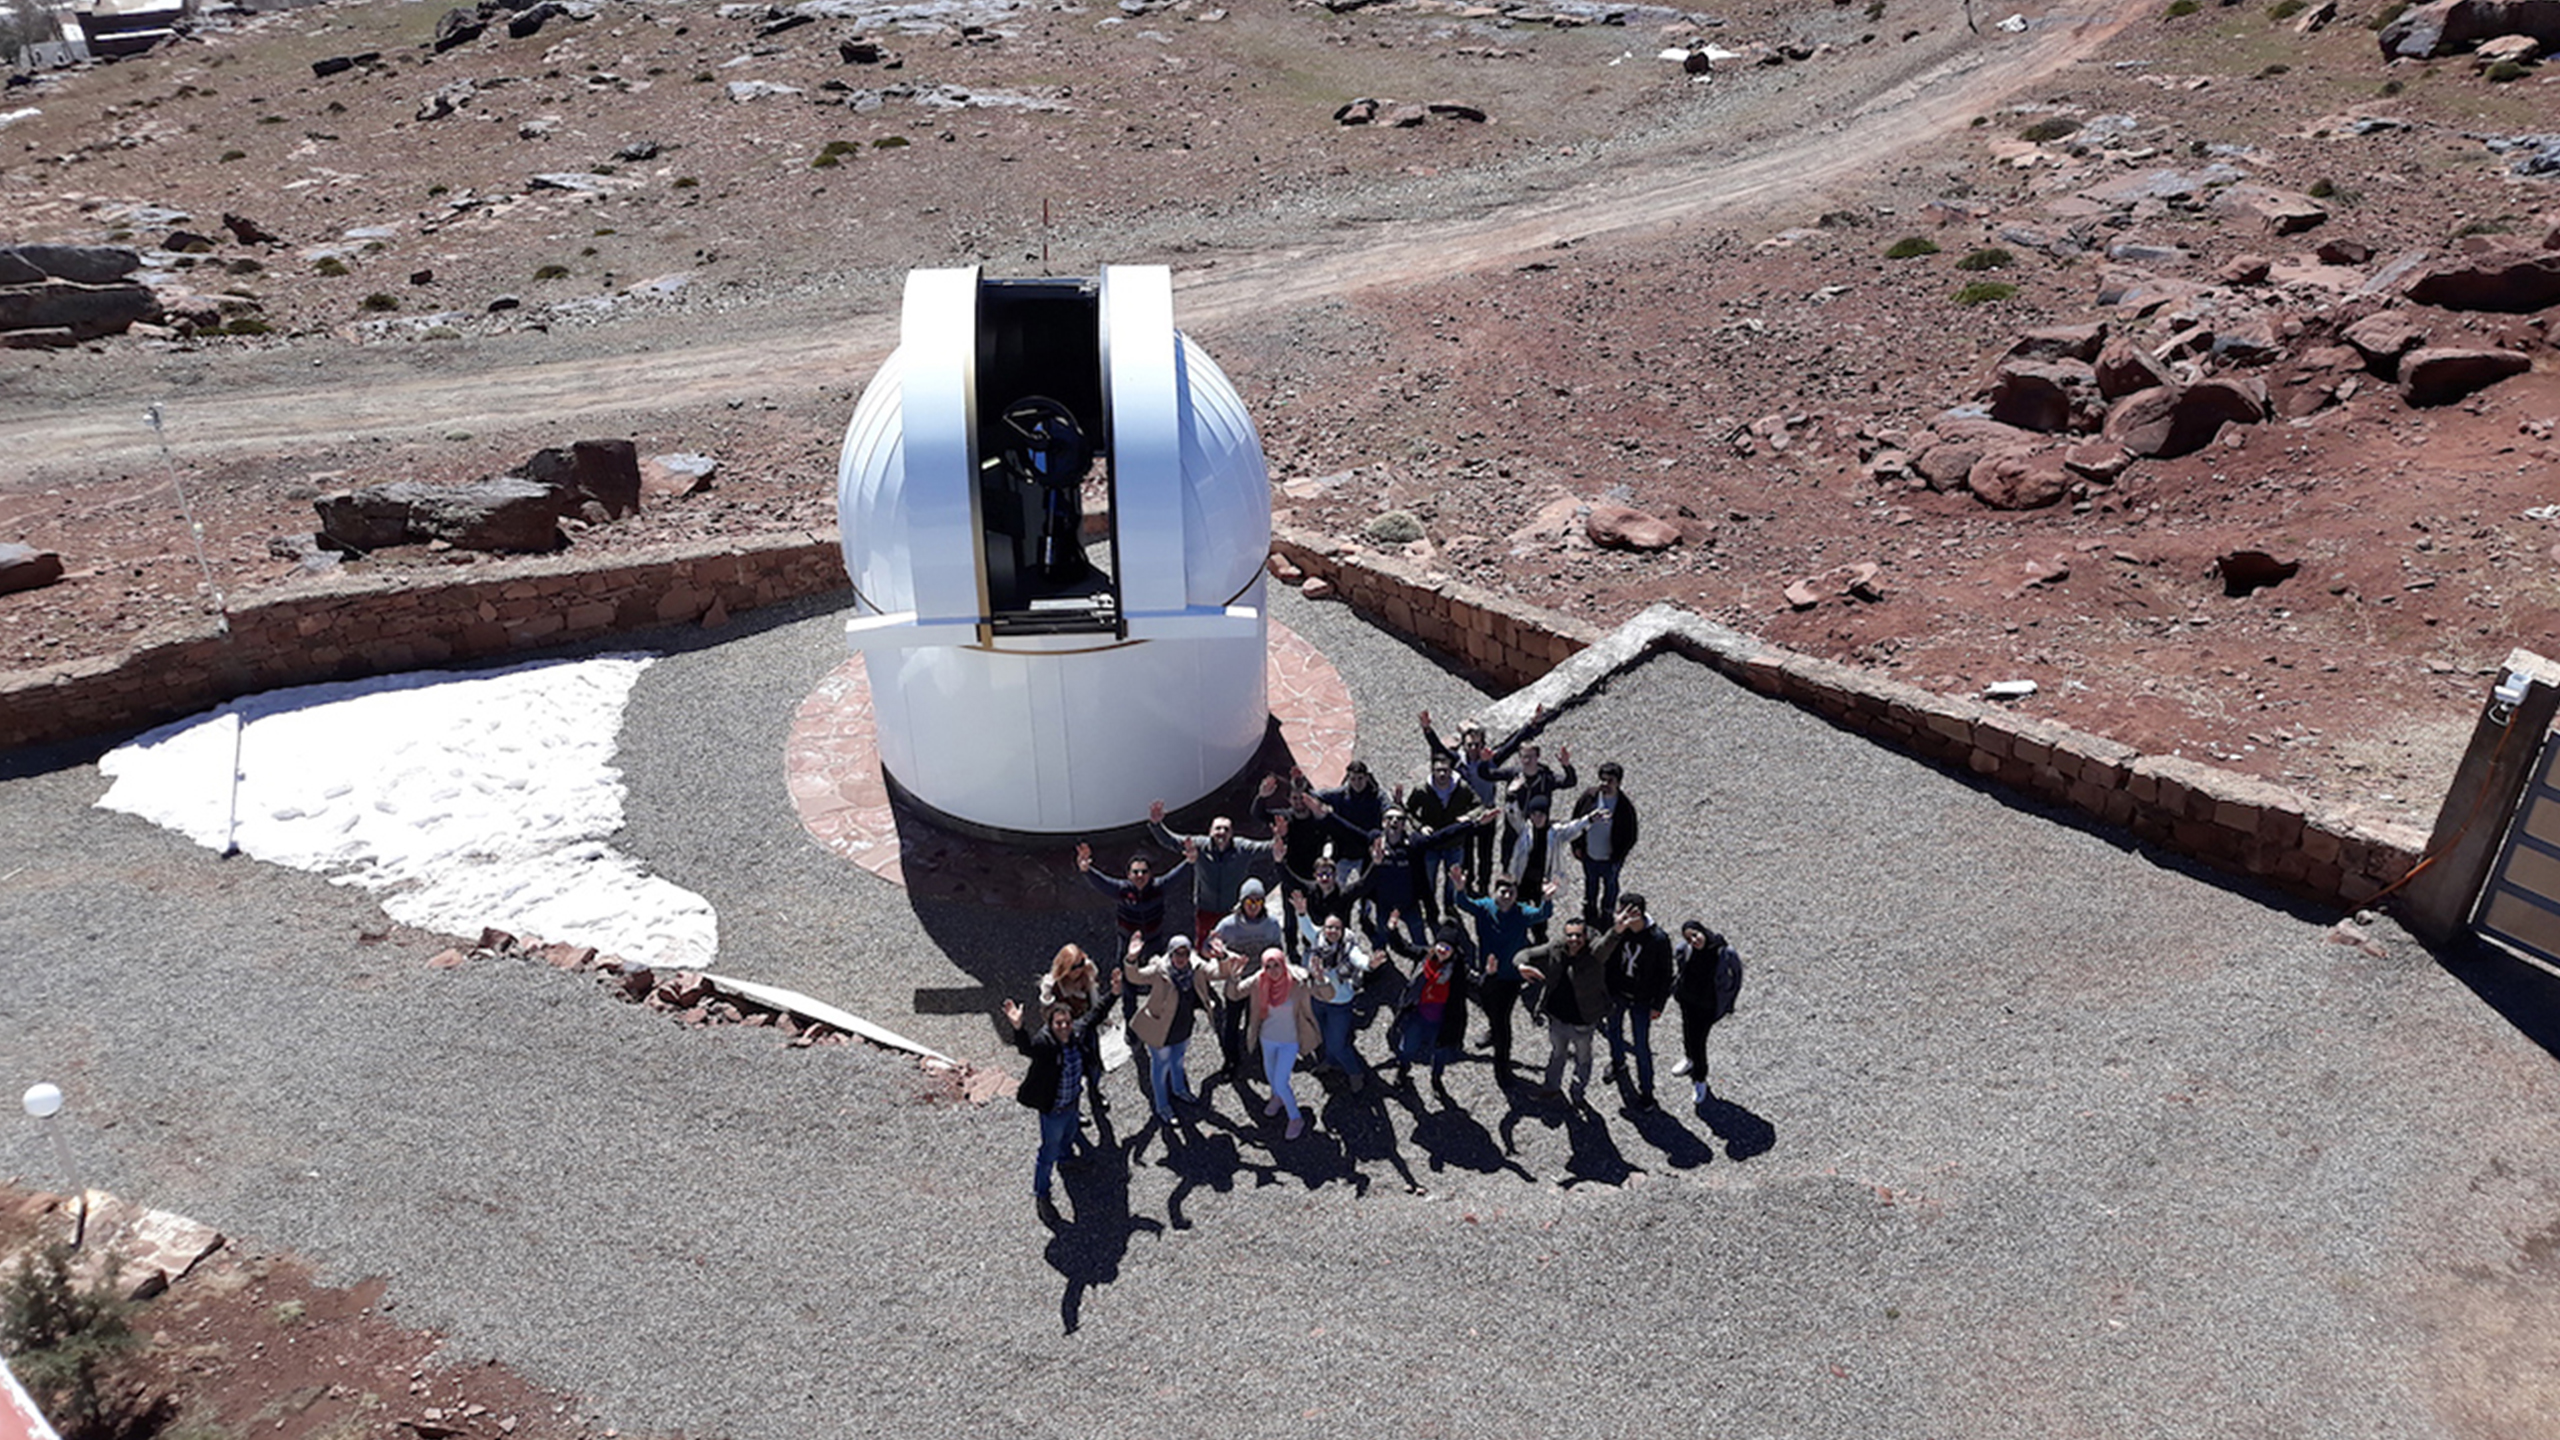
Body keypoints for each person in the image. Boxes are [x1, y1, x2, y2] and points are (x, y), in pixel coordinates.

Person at [1003, 966, 1119, 1211]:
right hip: (1053, 1110)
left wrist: (1114, 993)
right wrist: (1018, 1027)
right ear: (1050, 1024)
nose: (1064, 1026)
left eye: (1066, 1022)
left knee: (1068, 1136)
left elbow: (1096, 1013)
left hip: (1072, 1103)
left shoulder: (1076, 1033)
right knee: (1047, 1153)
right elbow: (1027, 1048)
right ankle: (1042, 1194)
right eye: (1058, 1023)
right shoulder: (1045, 1043)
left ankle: (1066, 1160)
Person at [1446, 866, 1554, 1087]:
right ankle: (1493, 1030)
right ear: (1495, 892)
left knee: (1503, 1021)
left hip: (1512, 977)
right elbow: (1464, 903)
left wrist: (1546, 899)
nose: (1507, 896)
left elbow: (1542, 914)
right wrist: (1460, 888)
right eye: (1503, 891)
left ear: (1516, 895)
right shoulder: (1484, 907)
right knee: (1487, 1006)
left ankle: (1502, 1068)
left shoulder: (1521, 912)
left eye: (1511, 892)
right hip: (1488, 973)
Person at [1223, 945, 1327, 1140]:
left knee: (1281, 1080)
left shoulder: (1298, 981)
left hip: (1290, 1041)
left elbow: (1327, 994)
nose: (1272, 971)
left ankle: (1295, 1118)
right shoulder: (1259, 980)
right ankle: (1277, 1098)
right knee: (1271, 1077)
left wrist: (1321, 978)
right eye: (1268, 966)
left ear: (1283, 963)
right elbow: (1234, 994)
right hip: (1267, 1039)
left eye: (1276, 965)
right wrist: (1233, 977)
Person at [1148, 799, 1284, 943]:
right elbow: (1171, 841)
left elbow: (1267, 849)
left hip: (1233, 911)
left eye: (1226, 829)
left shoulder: (1242, 848)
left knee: (1231, 946)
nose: (1222, 832)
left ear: (1232, 833)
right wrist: (1156, 825)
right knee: (1204, 945)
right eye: (1218, 828)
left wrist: (1279, 838)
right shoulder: (1199, 846)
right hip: (1206, 910)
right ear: (1210, 831)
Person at [1121, 932, 1216, 1123]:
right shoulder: (1159, 970)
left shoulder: (1194, 969)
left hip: (1183, 1028)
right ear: (1170, 954)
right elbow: (1135, 976)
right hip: (1160, 1031)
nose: (1181, 958)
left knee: (1178, 1061)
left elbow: (1217, 972)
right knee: (1161, 1068)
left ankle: (1179, 1090)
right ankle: (1162, 1106)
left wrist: (1222, 957)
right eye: (1177, 953)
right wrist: (1131, 958)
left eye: (1185, 953)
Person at [1596, 892, 1675, 1112]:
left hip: (1642, 999)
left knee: (1641, 1046)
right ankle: (1618, 1062)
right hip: (1617, 993)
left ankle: (1647, 1092)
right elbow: (1604, 958)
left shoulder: (1658, 939)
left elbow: (1666, 974)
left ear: (1638, 913)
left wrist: (1658, 1005)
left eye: (1625, 912)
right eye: (1619, 911)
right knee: (1613, 1031)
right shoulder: (1618, 931)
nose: (1621, 916)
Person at [1520, 915, 1606, 1108]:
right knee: (1557, 1054)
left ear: (1585, 936)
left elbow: (1609, 942)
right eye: (1570, 935)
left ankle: (1578, 1092)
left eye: (1578, 935)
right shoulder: (1556, 948)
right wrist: (1522, 965)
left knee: (1583, 1059)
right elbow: (1527, 953)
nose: (1574, 939)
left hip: (1583, 1021)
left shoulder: (1595, 954)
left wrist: (1618, 928)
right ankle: (1551, 1087)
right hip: (1557, 1018)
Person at [1382, 918, 1474, 1094]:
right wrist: (1392, 931)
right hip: (1417, 1014)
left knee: (1440, 1053)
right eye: (1440, 945)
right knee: (1406, 1047)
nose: (1442, 950)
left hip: (1442, 1021)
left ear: (1454, 951)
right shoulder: (1425, 956)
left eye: (1447, 948)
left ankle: (1436, 1079)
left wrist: (1491, 975)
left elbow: (1476, 984)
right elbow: (1403, 948)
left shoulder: (1458, 970)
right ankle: (1403, 1070)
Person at [1208, 879, 1287, 1081]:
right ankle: (1231, 1060)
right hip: (1236, 981)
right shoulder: (1228, 925)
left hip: (1260, 982)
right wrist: (1216, 950)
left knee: (1259, 1019)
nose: (1254, 906)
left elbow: (1278, 950)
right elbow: (1207, 947)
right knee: (1231, 1023)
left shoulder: (1271, 925)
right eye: (1249, 901)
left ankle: (1259, 1054)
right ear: (1241, 902)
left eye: (1258, 902)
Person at [1298, 910, 1374, 1091]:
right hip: (1318, 999)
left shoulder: (1348, 947)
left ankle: (1355, 1072)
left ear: (1343, 930)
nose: (1332, 931)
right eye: (1329, 927)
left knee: (1338, 1044)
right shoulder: (1317, 940)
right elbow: (1306, 927)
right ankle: (1330, 1062)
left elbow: (1359, 959)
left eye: (1337, 928)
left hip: (1340, 1004)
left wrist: (1370, 964)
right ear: (1324, 929)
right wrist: (1301, 912)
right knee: (1324, 1036)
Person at [1671, 921, 1745, 1107]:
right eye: (1689, 938)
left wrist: (1729, 1002)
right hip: (1688, 1001)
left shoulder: (1724, 952)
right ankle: (1689, 1059)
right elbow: (1680, 969)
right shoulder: (1684, 949)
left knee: (1699, 1042)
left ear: (1703, 931)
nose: (1694, 940)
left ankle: (1700, 1078)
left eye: (1695, 935)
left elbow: (1737, 976)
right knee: (1687, 1032)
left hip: (1708, 1006)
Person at [1403, 751, 1481, 926]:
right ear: (1432, 771)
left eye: (1445, 770)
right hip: (1431, 844)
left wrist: (1469, 816)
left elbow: (1479, 805)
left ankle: (1449, 906)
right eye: (1438, 770)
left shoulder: (1462, 788)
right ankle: (1430, 908)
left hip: (1455, 843)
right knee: (1428, 879)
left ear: (1451, 770)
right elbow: (1409, 811)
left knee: (1452, 880)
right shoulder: (1422, 790)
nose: (1442, 774)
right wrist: (1420, 826)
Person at [1036, 942, 1110, 1116]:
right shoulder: (1055, 986)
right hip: (1067, 1034)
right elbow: (1048, 1013)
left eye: (1081, 964)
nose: (1079, 970)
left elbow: (1094, 1001)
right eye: (1074, 967)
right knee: (1071, 1074)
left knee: (1094, 1068)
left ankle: (1095, 1094)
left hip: (1087, 1028)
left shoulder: (1087, 975)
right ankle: (1075, 1109)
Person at [1567, 761, 1640, 924]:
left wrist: (1619, 856)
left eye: (1610, 781)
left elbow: (1631, 835)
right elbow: (1576, 821)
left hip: (1611, 858)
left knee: (1610, 886)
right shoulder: (1589, 797)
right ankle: (1590, 913)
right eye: (1603, 779)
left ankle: (1607, 914)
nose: (1605, 784)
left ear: (1618, 782)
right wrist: (1576, 846)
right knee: (1590, 884)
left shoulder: (1624, 806)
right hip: (1589, 854)